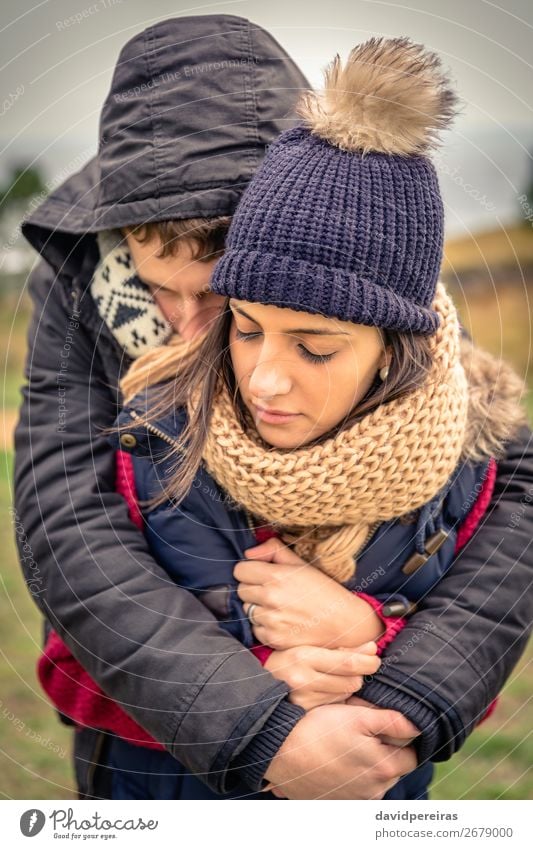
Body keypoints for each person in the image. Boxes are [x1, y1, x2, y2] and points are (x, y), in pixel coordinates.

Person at [14, 20, 533, 801]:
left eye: (222, 293)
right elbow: (65, 522)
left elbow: (500, 498)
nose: (191, 327)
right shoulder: (82, 281)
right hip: (154, 766)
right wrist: (256, 715)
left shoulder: (364, 270)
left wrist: (385, 661)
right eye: (159, 289)